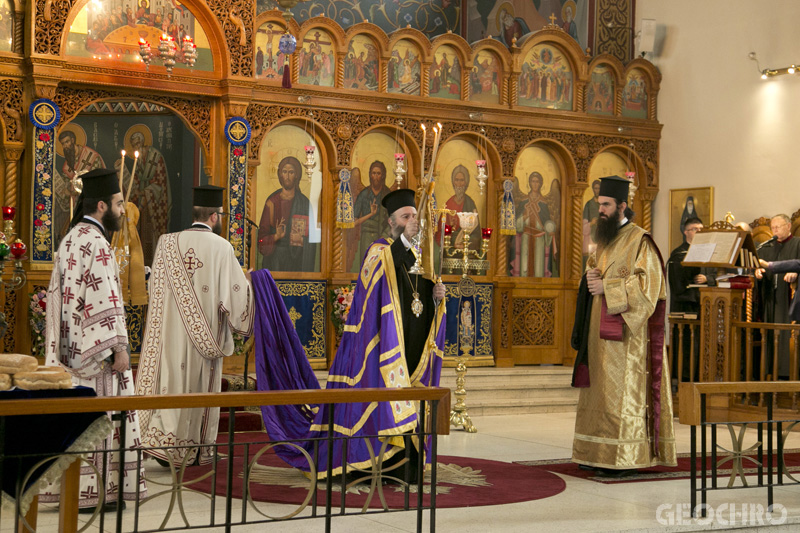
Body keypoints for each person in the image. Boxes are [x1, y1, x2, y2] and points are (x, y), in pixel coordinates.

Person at [253, 189, 446, 485]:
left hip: (403, 345)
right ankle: (366, 465)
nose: (412, 222)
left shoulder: (414, 256)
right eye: (406, 217)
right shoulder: (378, 251)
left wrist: (436, 298)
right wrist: (406, 240)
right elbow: (376, 291)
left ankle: (402, 468)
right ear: (392, 221)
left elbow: (413, 300)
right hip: (376, 349)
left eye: (414, 217)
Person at [42, 168, 147, 513]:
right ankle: (97, 492)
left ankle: (72, 491)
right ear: (102, 205)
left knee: (76, 421)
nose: (122, 209)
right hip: (96, 354)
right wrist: (118, 347)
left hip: (71, 350)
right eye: (118, 204)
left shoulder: (70, 238)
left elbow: (57, 297)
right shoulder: (97, 242)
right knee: (101, 420)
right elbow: (106, 299)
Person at [135, 185, 255, 466]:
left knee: (171, 384)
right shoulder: (222, 247)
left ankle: (165, 444)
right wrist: (251, 282)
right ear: (214, 216)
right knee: (197, 390)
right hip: (205, 337)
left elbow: (153, 290)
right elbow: (236, 299)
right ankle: (193, 448)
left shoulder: (165, 242)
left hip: (169, 335)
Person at [571, 175, 676, 476]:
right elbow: (595, 273)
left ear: (622, 206)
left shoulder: (640, 240)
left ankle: (623, 455)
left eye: (605, 204)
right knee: (598, 391)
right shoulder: (602, 240)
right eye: (598, 204)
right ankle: (594, 450)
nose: (600, 210)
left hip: (626, 337)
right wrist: (589, 279)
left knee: (619, 394)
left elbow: (649, 287)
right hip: (597, 333)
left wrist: (608, 287)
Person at [666, 217, 715, 382]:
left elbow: (715, 273)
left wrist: (707, 278)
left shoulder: (708, 252)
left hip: (705, 308)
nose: (699, 232)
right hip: (685, 307)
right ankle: (683, 379)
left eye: (702, 229)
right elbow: (678, 286)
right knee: (687, 346)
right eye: (695, 229)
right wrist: (695, 289)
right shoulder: (678, 255)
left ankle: (701, 377)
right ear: (686, 232)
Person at [754, 214, 800, 379]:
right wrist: (757, 271)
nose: (775, 230)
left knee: (787, 335)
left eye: (778, 227)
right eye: (772, 228)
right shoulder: (767, 246)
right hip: (770, 298)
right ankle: (769, 371)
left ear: (788, 226)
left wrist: (796, 273)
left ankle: (787, 373)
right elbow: (757, 265)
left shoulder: (798, 243)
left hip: (788, 299)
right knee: (770, 333)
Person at [257, 155, 317, 271]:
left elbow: (313, 239)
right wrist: (276, 236)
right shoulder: (271, 202)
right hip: (274, 262)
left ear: (297, 175)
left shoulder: (304, 203)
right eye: (285, 172)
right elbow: (261, 240)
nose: (288, 176)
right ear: (280, 174)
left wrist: (300, 240)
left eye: (291, 172)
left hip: (296, 262)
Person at [119, 130, 170, 266]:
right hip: (142, 202)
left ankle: (153, 262)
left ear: (142, 142)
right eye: (134, 145)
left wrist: (145, 192)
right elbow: (135, 181)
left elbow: (160, 182)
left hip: (154, 202)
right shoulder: (139, 159)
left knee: (150, 235)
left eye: (138, 143)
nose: (136, 147)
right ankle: (137, 262)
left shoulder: (156, 156)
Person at [350, 160, 391, 271]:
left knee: (381, 269)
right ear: (370, 175)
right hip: (366, 237)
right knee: (366, 268)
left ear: (383, 176)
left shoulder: (388, 194)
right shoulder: (363, 195)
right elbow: (354, 221)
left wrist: (384, 235)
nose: (376, 176)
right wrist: (370, 214)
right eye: (373, 173)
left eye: (378, 173)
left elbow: (393, 219)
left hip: (383, 236)